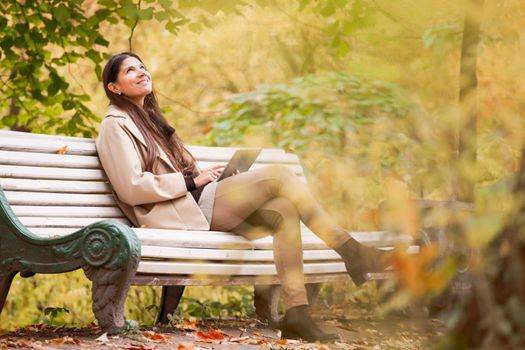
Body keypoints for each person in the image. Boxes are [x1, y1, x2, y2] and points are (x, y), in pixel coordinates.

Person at [96, 52, 391, 342]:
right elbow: (130, 186)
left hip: (195, 204)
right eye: (130, 70)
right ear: (114, 87)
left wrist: (219, 181)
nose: (141, 72)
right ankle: (350, 250)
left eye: (142, 66)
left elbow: (183, 173)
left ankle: (298, 313)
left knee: (284, 210)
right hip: (176, 213)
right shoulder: (115, 124)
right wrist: (191, 180)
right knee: (279, 176)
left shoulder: (151, 120)